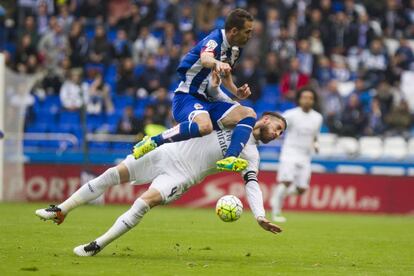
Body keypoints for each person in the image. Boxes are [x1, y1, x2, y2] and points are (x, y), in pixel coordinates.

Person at [35, 112, 287, 256]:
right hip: (166, 152)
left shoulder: (252, 155)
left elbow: (251, 184)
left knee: (142, 203)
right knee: (112, 174)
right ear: (265, 119)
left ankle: (97, 245)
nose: (277, 134)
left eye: (280, 134)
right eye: (277, 128)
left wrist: (260, 216)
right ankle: (61, 209)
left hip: (181, 176)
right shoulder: (234, 117)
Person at [133, 8, 257, 173]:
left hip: (210, 100)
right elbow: (206, 59)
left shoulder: (235, 48)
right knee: (204, 126)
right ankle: (154, 141)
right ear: (234, 31)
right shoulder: (214, 40)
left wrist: (236, 91)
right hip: (187, 97)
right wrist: (216, 63)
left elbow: (225, 73)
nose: (250, 36)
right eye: (247, 32)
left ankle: (230, 157)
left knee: (249, 114)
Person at [270, 88, 323, 223]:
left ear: (314, 100)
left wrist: (316, 145)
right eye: (304, 97)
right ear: (299, 99)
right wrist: (274, 133)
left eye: (310, 98)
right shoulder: (291, 114)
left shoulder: (317, 117)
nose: (307, 100)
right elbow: (279, 125)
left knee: (302, 189)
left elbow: (315, 136)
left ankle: (278, 196)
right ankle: (276, 212)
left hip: (305, 156)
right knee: (286, 181)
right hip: (290, 152)